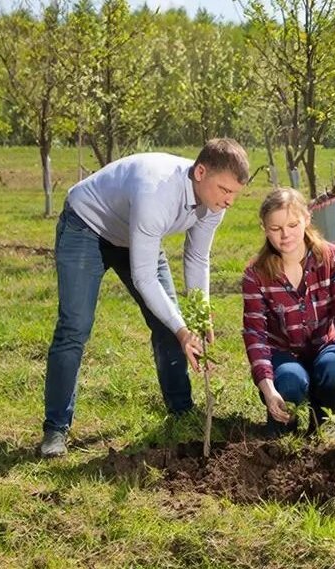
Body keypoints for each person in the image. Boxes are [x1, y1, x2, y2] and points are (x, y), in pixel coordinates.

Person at [41, 138, 250, 458]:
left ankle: (182, 411)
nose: (230, 201)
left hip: (134, 235)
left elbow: (197, 258)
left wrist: (199, 313)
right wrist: (183, 330)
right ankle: (56, 428)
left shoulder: (215, 203)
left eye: (235, 193)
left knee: (169, 322)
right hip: (86, 224)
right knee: (75, 326)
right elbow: (144, 277)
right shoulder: (157, 192)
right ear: (201, 172)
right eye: (225, 190)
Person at [242, 188, 335, 438]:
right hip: (283, 354)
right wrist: (269, 389)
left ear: (307, 219)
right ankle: (285, 425)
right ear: (264, 228)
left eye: (293, 224)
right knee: (290, 380)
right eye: (276, 228)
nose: (285, 235)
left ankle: (323, 421)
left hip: (324, 346)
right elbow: (255, 336)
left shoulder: (330, 257)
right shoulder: (255, 274)